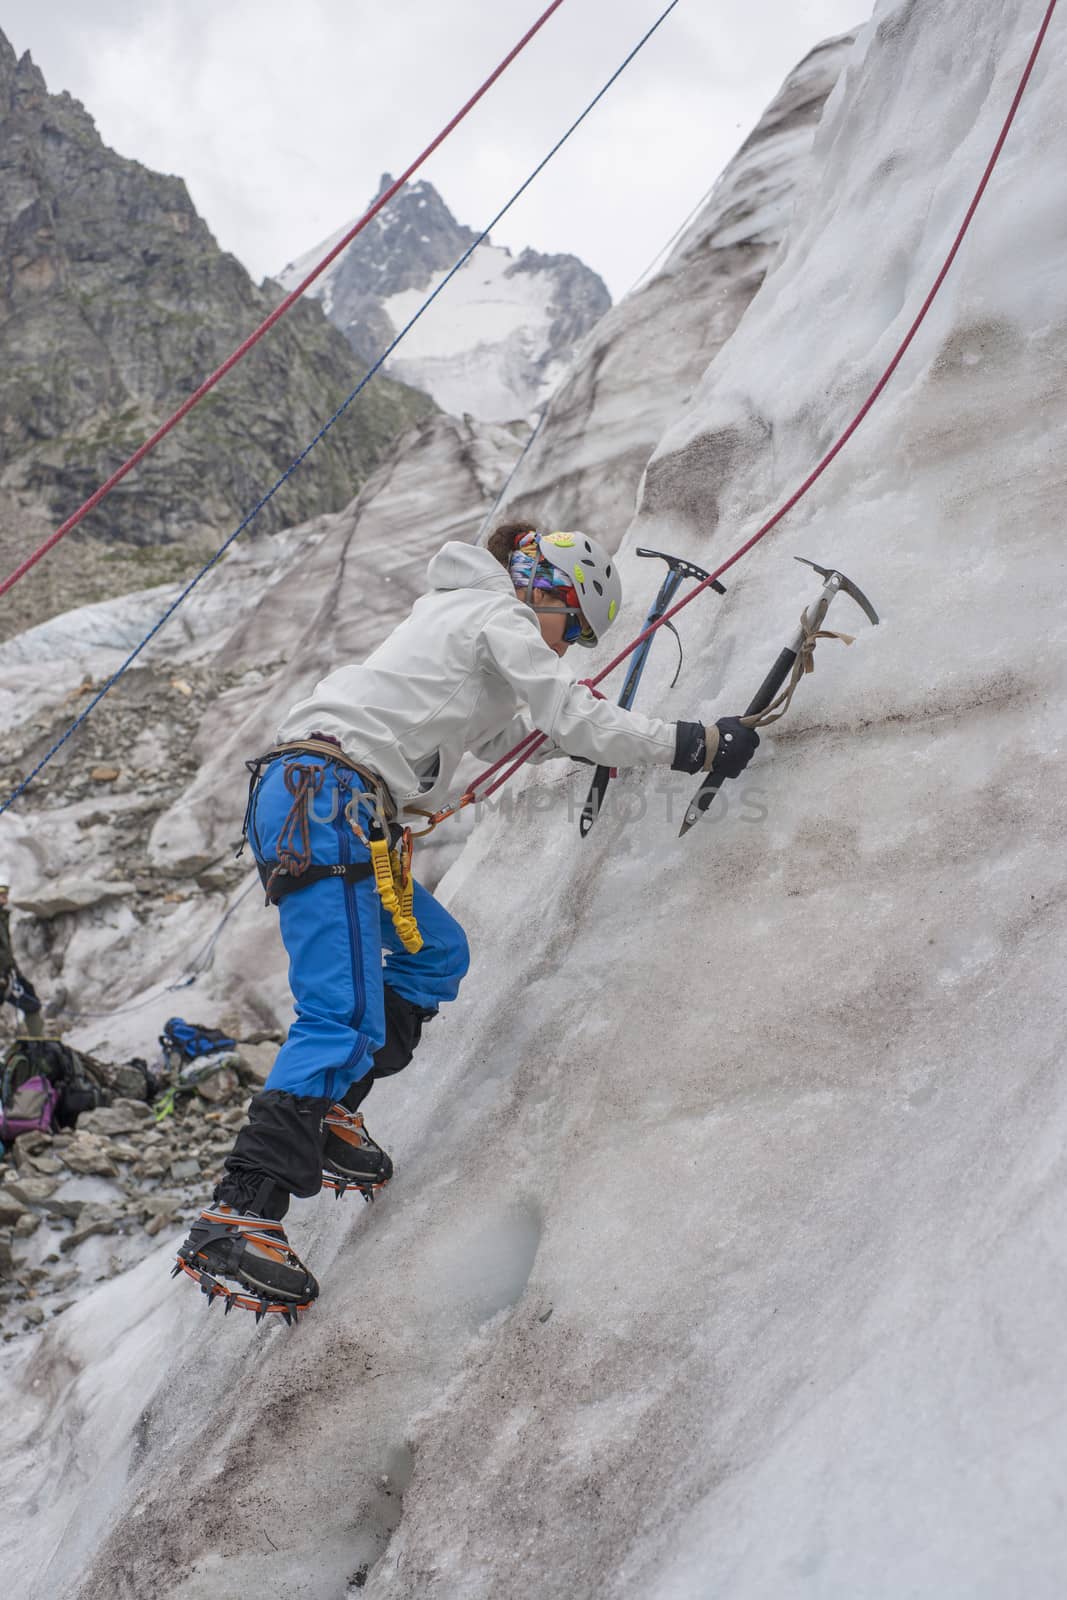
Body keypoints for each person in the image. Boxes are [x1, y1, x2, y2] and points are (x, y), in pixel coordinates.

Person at [175, 524, 758, 1317]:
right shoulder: (500, 616)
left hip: (329, 802)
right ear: (553, 594)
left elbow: (522, 739)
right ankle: (239, 1212)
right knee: (337, 1012)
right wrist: (691, 742)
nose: (568, 647)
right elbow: (566, 717)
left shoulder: (458, 621)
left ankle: (331, 1113)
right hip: (329, 799)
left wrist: (606, 744)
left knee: (433, 955)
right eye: (575, 629)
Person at [0, 884, 44, 1040]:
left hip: (8, 974)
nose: (4, 897)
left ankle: (40, 1047)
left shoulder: (2, 917)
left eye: (5, 893)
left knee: (31, 1001)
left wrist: (13, 971)